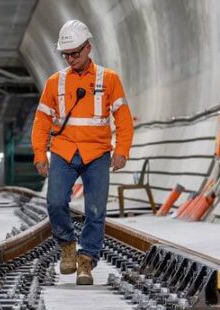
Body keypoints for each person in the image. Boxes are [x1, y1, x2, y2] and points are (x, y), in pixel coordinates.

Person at [30, 20, 134, 285]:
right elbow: (42, 121)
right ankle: (67, 245)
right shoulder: (55, 82)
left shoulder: (108, 79)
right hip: (64, 152)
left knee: (96, 210)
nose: (71, 59)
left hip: (97, 153)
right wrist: (40, 154)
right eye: (66, 55)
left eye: (75, 53)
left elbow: (123, 117)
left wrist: (122, 149)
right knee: (54, 203)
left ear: (88, 48)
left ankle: (86, 260)